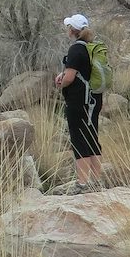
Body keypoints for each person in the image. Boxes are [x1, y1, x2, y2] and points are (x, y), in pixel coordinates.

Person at [54, 13, 103, 191]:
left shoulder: (76, 49)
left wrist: (61, 81)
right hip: (94, 100)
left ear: (72, 30)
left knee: (78, 139)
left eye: (68, 27)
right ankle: (97, 182)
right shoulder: (92, 48)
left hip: (78, 101)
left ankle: (82, 183)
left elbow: (69, 78)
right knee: (92, 138)